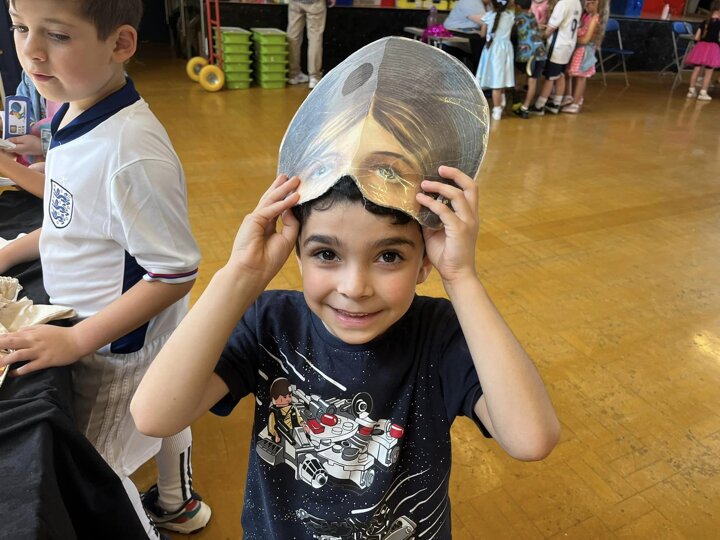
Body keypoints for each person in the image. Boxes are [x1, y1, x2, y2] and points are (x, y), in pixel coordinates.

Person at [131, 36, 560, 538]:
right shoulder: (271, 323)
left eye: (389, 256)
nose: (354, 287)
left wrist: (462, 277)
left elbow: (530, 438)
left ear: (425, 259)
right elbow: (154, 415)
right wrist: (240, 275)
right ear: (296, 249)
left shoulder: (439, 336)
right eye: (327, 254)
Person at [0, 1, 211, 537]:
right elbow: (74, 219)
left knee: (100, 466)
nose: (30, 51)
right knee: (167, 404)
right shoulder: (75, 109)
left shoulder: (130, 152)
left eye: (57, 35)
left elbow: (174, 272)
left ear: (119, 44)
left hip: (117, 348)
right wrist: (11, 251)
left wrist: (77, 341)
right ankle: (177, 503)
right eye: (20, 28)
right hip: (111, 330)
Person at [527, 0, 581, 115]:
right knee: (560, 74)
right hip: (569, 44)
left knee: (550, 77)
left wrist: (542, 37)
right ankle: (556, 104)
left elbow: (552, 28)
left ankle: (539, 106)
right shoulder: (577, 2)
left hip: (558, 45)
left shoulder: (563, 3)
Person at [476, 0, 516, 120]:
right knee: (502, 76)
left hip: (493, 49)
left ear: (491, 4)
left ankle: (497, 109)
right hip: (506, 49)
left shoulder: (488, 16)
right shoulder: (511, 16)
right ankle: (502, 99)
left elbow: (483, 34)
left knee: (496, 82)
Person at [287, 0, 335, 89]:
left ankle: (293, 74)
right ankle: (314, 77)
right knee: (315, 37)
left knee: (293, 36)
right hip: (315, 3)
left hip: (295, 2)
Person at [512, 0, 548, 118]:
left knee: (516, 73)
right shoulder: (532, 15)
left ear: (517, 6)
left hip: (527, 54)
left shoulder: (517, 17)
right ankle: (525, 107)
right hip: (540, 52)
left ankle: (516, 97)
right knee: (533, 81)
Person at [685, 0, 720, 101]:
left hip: (701, 47)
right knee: (708, 72)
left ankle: (691, 90)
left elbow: (696, 37)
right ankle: (703, 92)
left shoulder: (705, 22)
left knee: (696, 69)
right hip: (713, 48)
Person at [442, 0, 488, 72]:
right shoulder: (470, 1)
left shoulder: (482, 3)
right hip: (455, 37)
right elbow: (485, 21)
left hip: (464, 36)